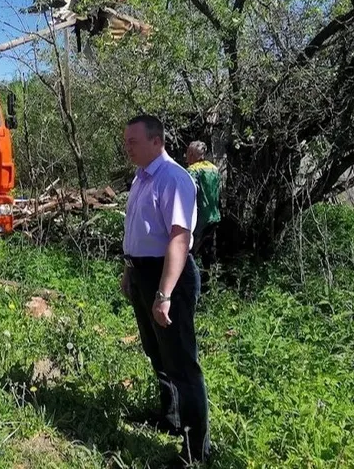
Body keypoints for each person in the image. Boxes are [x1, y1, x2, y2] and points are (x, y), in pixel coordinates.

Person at [121, 115, 210, 467]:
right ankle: (171, 418)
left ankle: (195, 450)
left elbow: (179, 238)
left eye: (133, 141)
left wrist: (164, 294)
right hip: (142, 273)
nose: (128, 148)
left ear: (156, 141)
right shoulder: (141, 178)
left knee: (182, 363)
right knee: (156, 351)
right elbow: (137, 230)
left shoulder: (173, 178)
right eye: (126, 142)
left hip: (167, 276)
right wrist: (129, 271)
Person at [185, 140, 220, 285]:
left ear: (192, 154)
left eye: (188, 153)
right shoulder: (214, 168)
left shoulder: (192, 171)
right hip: (214, 216)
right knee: (209, 251)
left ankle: (191, 283)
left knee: (190, 252)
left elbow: (188, 193)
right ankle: (211, 282)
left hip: (199, 218)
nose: (186, 156)